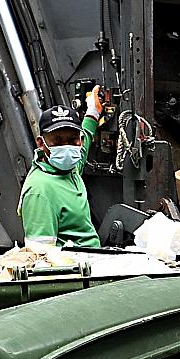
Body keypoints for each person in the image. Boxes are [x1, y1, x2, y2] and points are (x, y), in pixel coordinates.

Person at [20, 88, 104, 247]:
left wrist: (93, 112)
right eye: (57, 141)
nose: (66, 148)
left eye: (72, 141)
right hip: (75, 268)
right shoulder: (40, 191)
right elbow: (40, 255)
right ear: (40, 143)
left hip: (93, 260)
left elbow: (83, 142)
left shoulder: (69, 170)